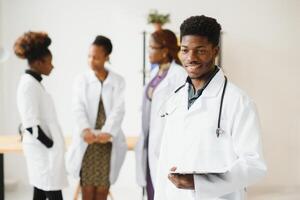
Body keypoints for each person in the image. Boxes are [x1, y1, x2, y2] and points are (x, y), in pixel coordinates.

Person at [154, 15, 267, 200]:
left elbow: (254, 164)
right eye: (185, 50)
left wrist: (199, 182)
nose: (191, 58)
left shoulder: (238, 101)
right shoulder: (175, 100)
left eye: (200, 51)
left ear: (215, 51)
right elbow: (164, 162)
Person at [66, 35, 127, 200]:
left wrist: (107, 132)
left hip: (107, 141)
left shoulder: (118, 81)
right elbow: (77, 107)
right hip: (88, 140)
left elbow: (118, 109)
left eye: (96, 57)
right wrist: (85, 130)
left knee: (102, 190)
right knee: (87, 190)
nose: (91, 60)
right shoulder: (81, 80)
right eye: (89, 56)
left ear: (106, 57)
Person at [15, 31, 68, 200]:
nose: (52, 66)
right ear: (38, 62)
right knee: (51, 190)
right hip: (43, 151)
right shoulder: (28, 85)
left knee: (41, 190)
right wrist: (50, 144)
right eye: (49, 63)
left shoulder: (34, 83)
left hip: (43, 152)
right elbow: (30, 123)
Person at [135, 29, 187, 200]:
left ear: (165, 51)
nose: (149, 52)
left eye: (152, 48)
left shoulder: (179, 76)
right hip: (150, 142)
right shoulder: (156, 73)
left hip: (166, 145)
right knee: (152, 190)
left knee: (165, 192)